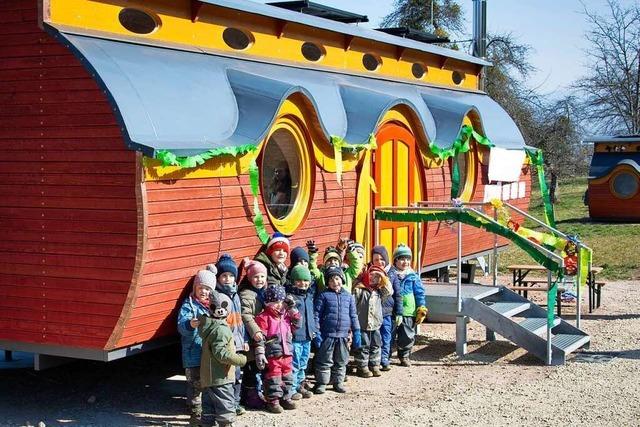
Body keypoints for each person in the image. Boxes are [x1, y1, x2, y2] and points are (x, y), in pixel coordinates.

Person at [199, 293, 247, 427]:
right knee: (225, 405)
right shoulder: (221, 329)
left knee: (209, 405)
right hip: (221, 376)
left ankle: (206, 424)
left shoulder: (208, 325)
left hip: (208, 376)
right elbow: (221, 354)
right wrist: (240, 359)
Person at [208, 254, 246, 415]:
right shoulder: (219, 297)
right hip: (226, 344)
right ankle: (228, 405)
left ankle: (235, 403)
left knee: (238, 376)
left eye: (231, 276)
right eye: (224, 276)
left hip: (237, 342)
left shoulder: (235, 295)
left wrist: (243, 339)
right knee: (227, 377)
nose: (228, 279)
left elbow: (240, 321)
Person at [313, 266, 361, 394]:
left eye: (337, 279)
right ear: (327, 282)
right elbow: (316, 315)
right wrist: (317, 332)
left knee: (341, 360)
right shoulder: (323, 296)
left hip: (343, 335)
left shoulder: (349, 297)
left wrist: (356, 331)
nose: (335, 282)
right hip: (327, 335)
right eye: (331, 280)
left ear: (342, 279)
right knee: (324, 360)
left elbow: (353, 315)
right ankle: (322, 383)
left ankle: (338, 382)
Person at [255, 285, 301, 413]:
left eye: (281, 302)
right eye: (274, 302)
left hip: (287, 353)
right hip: (273, 354)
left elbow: (298, 325)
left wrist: (292, 309)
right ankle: (273, 400)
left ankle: (286, 397)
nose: (278, 305)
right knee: (274, 377)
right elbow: (260, 337)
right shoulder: (264, 317)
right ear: (267, 303)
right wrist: (260, 352)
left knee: (288, 376)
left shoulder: (286, 315)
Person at [177, 269, 214, 425]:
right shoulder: (189, 306)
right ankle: (195, 413)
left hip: (208, 352)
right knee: (194, 383)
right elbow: (181, 326)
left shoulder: (213, 306)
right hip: (193, 352)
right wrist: (189, 324)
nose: (204, 292)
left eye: (207, 289)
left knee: (206, 381)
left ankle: (202, 408)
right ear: (195, 289)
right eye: (200, 288)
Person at [388, 244, 427, 367]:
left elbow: (419, 293)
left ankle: (404, 355)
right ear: (395, 260)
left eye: (408, 259)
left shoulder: (413, 276)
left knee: (407, 335)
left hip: (409, 311)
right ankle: (386, 355)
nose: (405, 262)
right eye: (402, 259)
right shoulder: (391, 274)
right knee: (389, 334)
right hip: (392, 310)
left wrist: (421, 307)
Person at [238, 259, 268, 409]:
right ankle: (249, 396)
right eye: (256, 277)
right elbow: (246, 315)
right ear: (249, 279)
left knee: (259, 367)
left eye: (262, 276)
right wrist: (255, 330)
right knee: (251, 368)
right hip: (250, 337)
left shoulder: (265, 292)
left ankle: (256, 392)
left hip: (261, 338)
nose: (259, 280)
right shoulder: (247, 295)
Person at [285, 264, 318, 399]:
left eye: (305, 281)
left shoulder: (309, 296)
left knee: (304, 362)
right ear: (293, 282)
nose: (302, 283)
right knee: (295, 363)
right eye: (298, 281)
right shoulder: (291, 298)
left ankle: (300, 385)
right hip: (296, 336)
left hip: (308, 335)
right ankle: (291, 389)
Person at [352, 264, 391, 378]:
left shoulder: (380, 291)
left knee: (376, 345)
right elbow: (353, 303)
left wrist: (383, 277)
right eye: (372, 276)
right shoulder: (360, 289)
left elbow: (390, 291)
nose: (374, 279)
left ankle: (374, 365)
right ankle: (362, 367)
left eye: (377, 277)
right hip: (362, 324)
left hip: (375, 324)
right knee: (363, 346)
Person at [371, 245, 403, 371]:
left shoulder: (392, 273)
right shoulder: (371, 272)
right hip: (373, 312)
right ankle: (375, 360)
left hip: (387, 312)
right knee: (375, 336)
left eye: (381, 259)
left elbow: (398, 294)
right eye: (376, 259)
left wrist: (399, 312)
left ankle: (385, 359)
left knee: (386, 336)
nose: (379, 262)